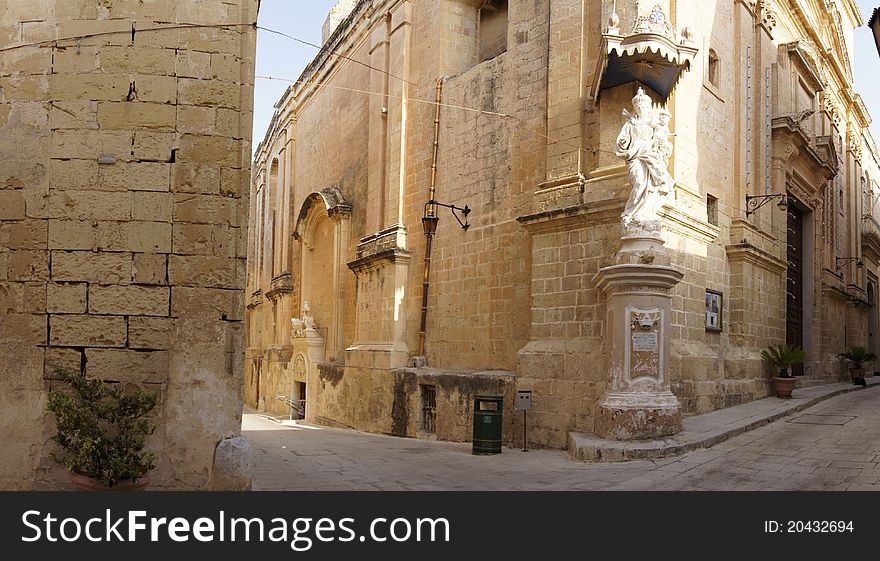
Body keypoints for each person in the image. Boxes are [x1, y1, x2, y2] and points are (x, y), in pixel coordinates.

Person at [616, 87, 675, 233]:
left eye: (644, 107)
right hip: (635, 154)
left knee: (651, 186)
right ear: (636, 108)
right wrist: (623, 142)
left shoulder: (653, 124)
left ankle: (645, 215)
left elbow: (663, 141)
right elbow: (622, 139)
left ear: (648, 108)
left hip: (649, 154)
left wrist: (663, 145)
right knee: (639, 182)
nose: (641, 109)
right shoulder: (630, 124)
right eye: (639, 107)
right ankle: (632, 214)